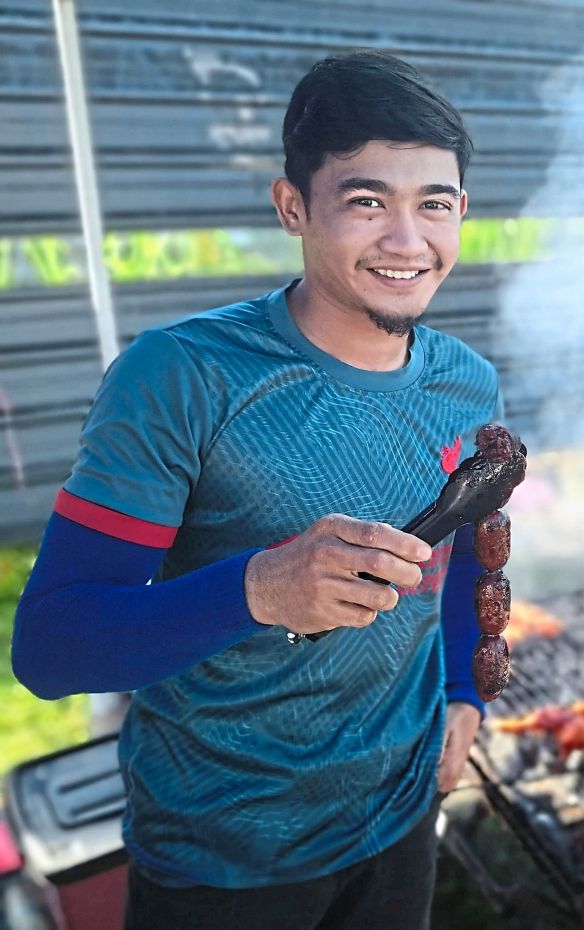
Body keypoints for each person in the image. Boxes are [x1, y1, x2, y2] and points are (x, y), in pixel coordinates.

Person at [11, 49, 499, 929]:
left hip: (398, 823)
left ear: (461, 212)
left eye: (434, 204)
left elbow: (461, 551)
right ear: (292, 209)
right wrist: (260, 589)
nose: (407, 239)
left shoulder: (468, 384)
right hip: (222, 856)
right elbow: (51, 645)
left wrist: (462, 688)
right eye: (365, 202)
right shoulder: (183, 376)